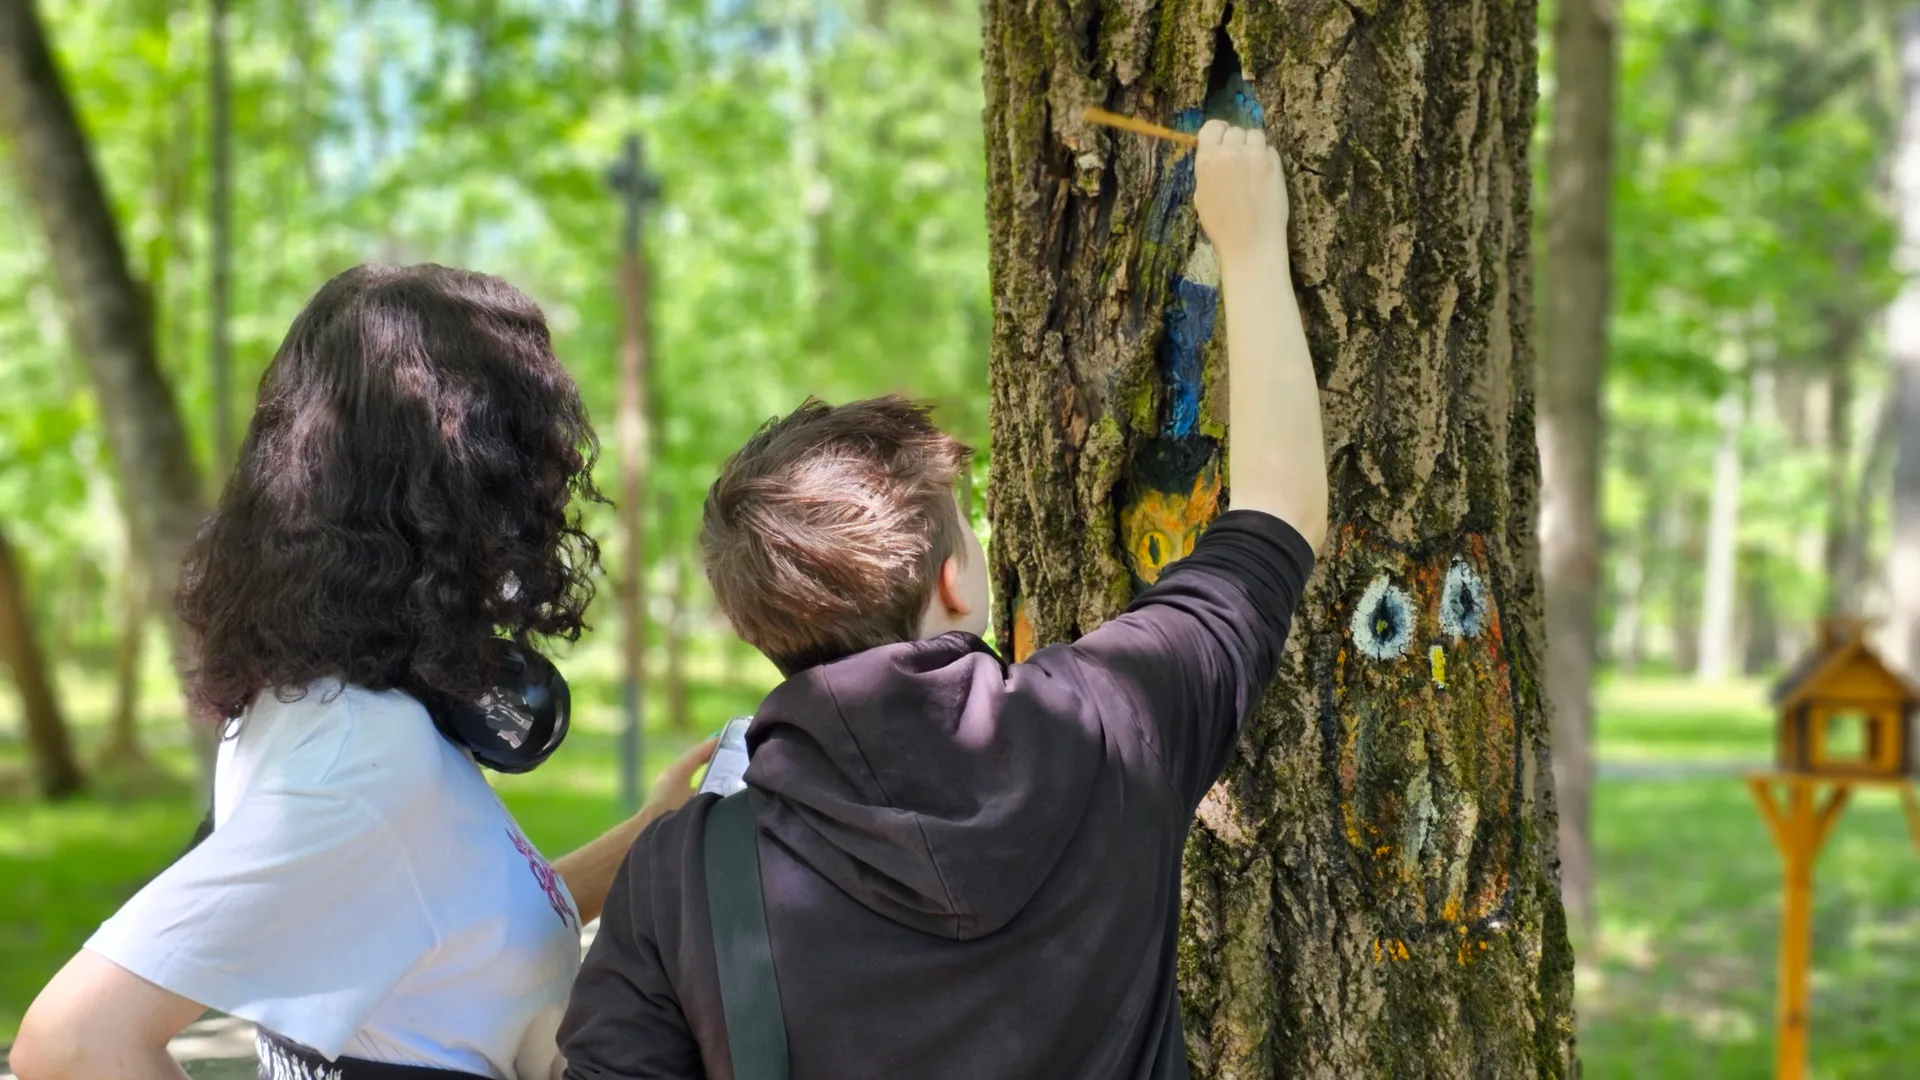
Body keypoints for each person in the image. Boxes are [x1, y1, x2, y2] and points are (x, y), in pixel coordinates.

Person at [558, 119, 1327, 1079]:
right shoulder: (1113, 719)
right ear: (953, 579)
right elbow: (1278, 513)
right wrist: (1252, 248)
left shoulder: (682, 882)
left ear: (761, 623)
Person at [13, 265, 715, 1080]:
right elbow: (72, 1043)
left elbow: (450, 942)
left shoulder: (312, 700)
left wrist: (644, 840)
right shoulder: (362, 757)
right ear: (470, 482)